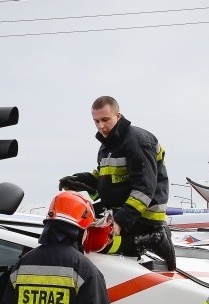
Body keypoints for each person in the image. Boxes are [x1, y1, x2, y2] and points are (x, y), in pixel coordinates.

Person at [59, 96, 176, 271]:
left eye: (105, 120)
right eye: (96, 121)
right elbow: (104, 181)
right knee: (72, 228)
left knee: (93, 241)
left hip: (144, 216)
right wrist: (78, 181)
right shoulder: (107, 146)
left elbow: (144, 189)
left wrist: (120, 221)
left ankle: (154, 238)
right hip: (117, 208)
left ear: (118, 116)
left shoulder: (137, 141)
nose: (100, 126)